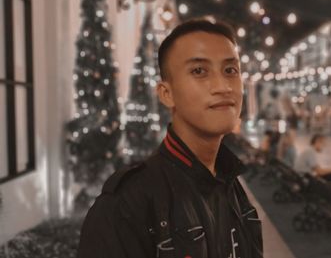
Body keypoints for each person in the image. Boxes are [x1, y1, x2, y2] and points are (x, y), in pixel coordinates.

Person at [77, 19, 263, 258]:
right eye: (199, 71)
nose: (223, 86)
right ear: (167, 94)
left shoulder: (229, 183)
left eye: (230, 70)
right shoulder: (127, 204)